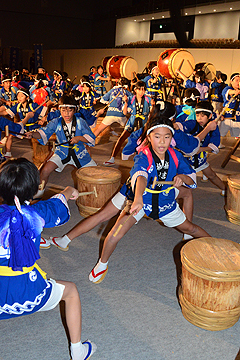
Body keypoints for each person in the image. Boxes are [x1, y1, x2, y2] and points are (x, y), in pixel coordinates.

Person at [87, 114, 211, 283]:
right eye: (157, 136)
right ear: (149, 137)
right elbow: (141, 176)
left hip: (165, 201)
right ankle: (102, 263)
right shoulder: (143, 156)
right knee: (116, 232)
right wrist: (137, 198)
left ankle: (215, 246)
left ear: (172, 138)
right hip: (142, 201)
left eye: (167, 137)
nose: (162, 142)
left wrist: (182, 177)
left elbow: (191, 178)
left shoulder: (176, 156)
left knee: (191, 229)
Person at [0, 158, 96, 360]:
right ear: (35, 189)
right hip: (28, 290)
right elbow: (60, 203)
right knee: (70, 291)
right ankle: (78, 351)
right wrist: (70, 191)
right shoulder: (38, 213)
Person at [26, 95, 96, 199]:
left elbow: (91, 138)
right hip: (61, 152)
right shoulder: (56, 122)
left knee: (94, 174)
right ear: (60, 109)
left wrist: (80, 138)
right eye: (63, 110)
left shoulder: (80, 121)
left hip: (79, 152)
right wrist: (32, 134)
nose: (66, 114)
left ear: (74, 110)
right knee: (45, 170)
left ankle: (92, 196)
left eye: (70, 110)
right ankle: (39, 193)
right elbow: (44, 133)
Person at [176, 101, 225, 195]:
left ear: (210, 116)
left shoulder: (213, 128)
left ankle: (225, 189)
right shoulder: (193, 124)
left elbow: (214, 145)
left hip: (200, 158)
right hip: (185, 159)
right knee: (182, 180)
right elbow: (182, 126)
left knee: (212, 175)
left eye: (203, 116)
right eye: (197, 115)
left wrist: (201, 149)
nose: (199, 118)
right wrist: (174, 125)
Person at [103, 80, 151, 166]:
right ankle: (112, 158)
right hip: (132, 122)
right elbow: (125, 113)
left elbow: (152, 112)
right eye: (139, 89)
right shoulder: (130, 99)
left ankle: (144, 161)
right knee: (121, 138)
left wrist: (153, 107)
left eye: (143, 90)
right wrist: (125, 102)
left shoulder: (148, 99)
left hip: (144, 123)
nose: (141, 92)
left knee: (145, 141)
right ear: (135, 90)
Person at [0, 88, 47, 158]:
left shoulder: (33, 105)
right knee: (10, 135)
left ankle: (42, 155)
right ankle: (8, 152)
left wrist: (43, 119)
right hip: (23, 127)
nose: (19, 98)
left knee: (40, 138)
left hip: (34, 127)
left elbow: (45, 112)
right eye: (18, 96)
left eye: (22, 96)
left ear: (27, 97)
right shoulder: (17, 106)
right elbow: (5, 112)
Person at [218, 72, 240, 147]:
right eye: (237, 80)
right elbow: (229, 92)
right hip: (227, 116)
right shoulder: (227, 89)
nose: (238, 82)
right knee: (221, 132)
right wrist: (235, 92)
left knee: (238, 134)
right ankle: (218, 143)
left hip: (237, 117)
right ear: (231, 81)